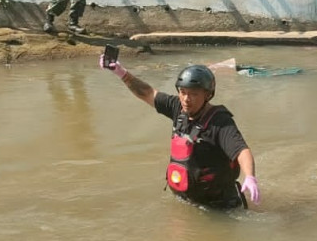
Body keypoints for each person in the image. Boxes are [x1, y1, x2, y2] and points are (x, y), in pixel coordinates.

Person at [101, 56, 260, 210]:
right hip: (185, 200)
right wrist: (122, 74)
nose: (186, 99)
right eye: (183, 92)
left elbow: (241, 151)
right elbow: (148, 93)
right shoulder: (178, 108)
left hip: (219, 206)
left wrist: (250, 177)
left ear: (207, 94)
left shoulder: (220, 122)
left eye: (193, 94)